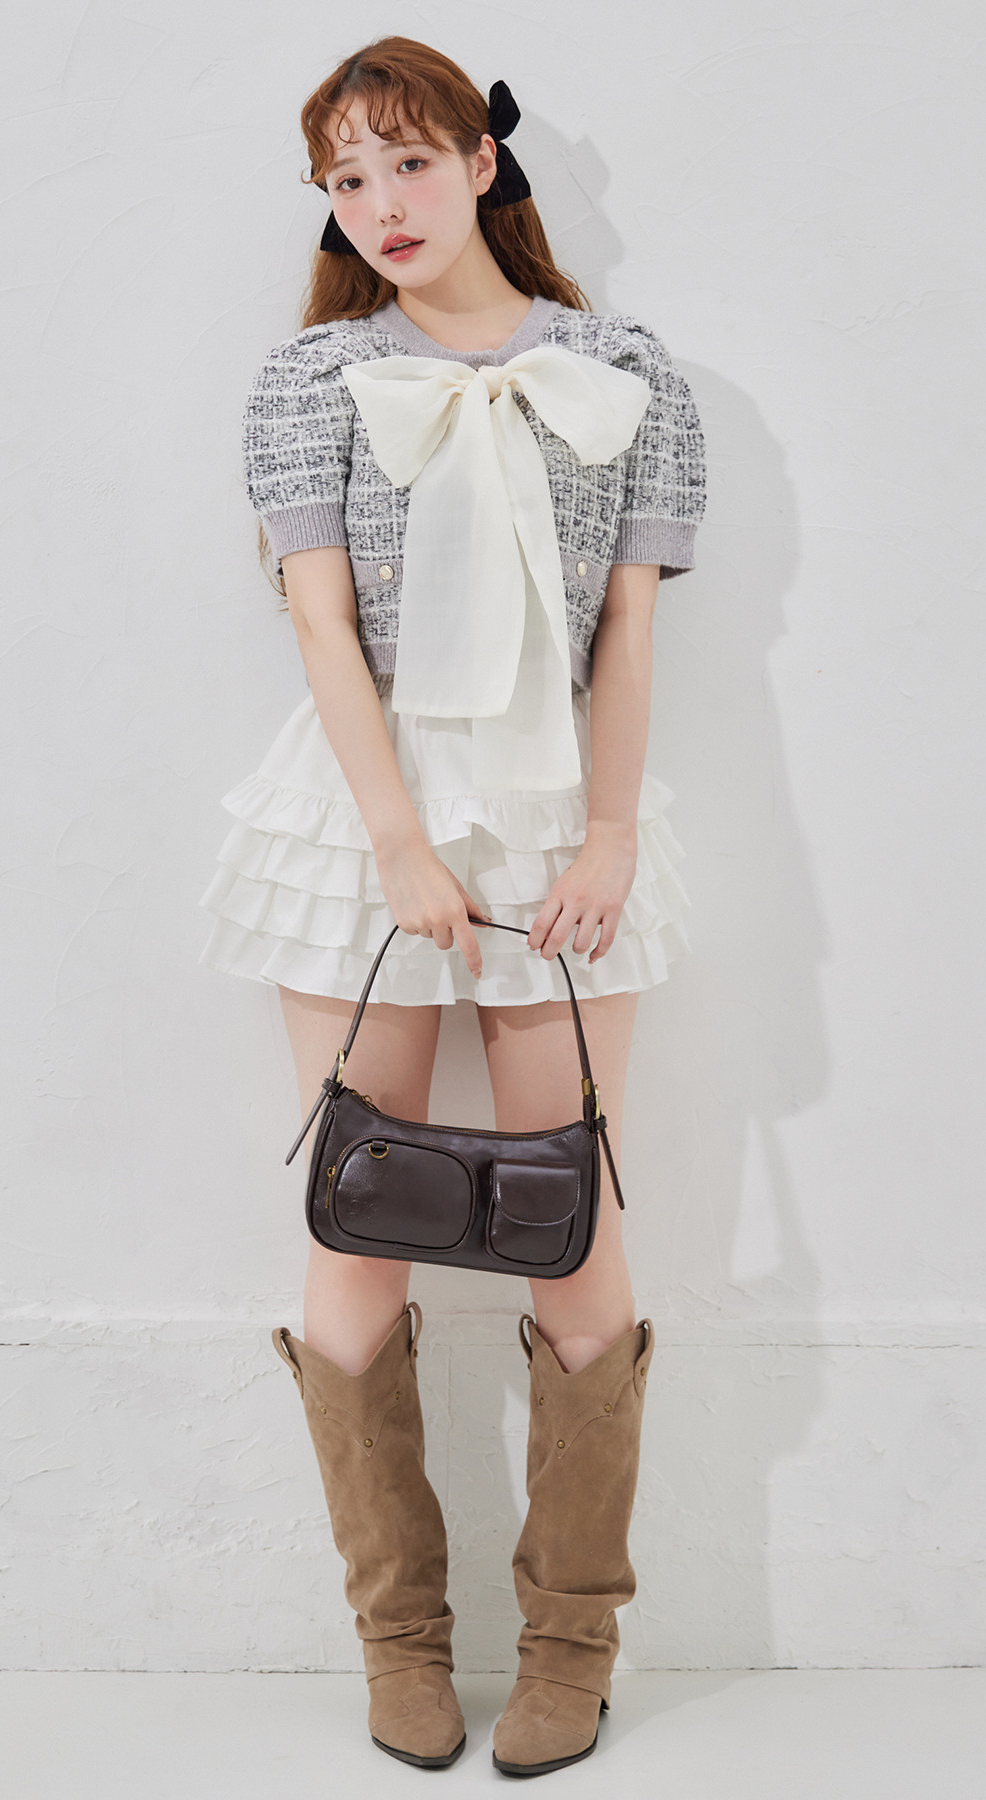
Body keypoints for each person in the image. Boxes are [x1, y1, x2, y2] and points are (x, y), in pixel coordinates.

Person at [198, 35, 707, 1779]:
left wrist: (610, 836)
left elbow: (630, 625)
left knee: (578, 1230)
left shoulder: (627, 371)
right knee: (360, 1224)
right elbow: (321, 623)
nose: (380, 204)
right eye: (345, 179)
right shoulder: (310, 378)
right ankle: (400, 1645)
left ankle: (569, 1652)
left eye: (407, 162)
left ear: (483, 161)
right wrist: (400, 845)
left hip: (561, 812)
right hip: (362, 817)